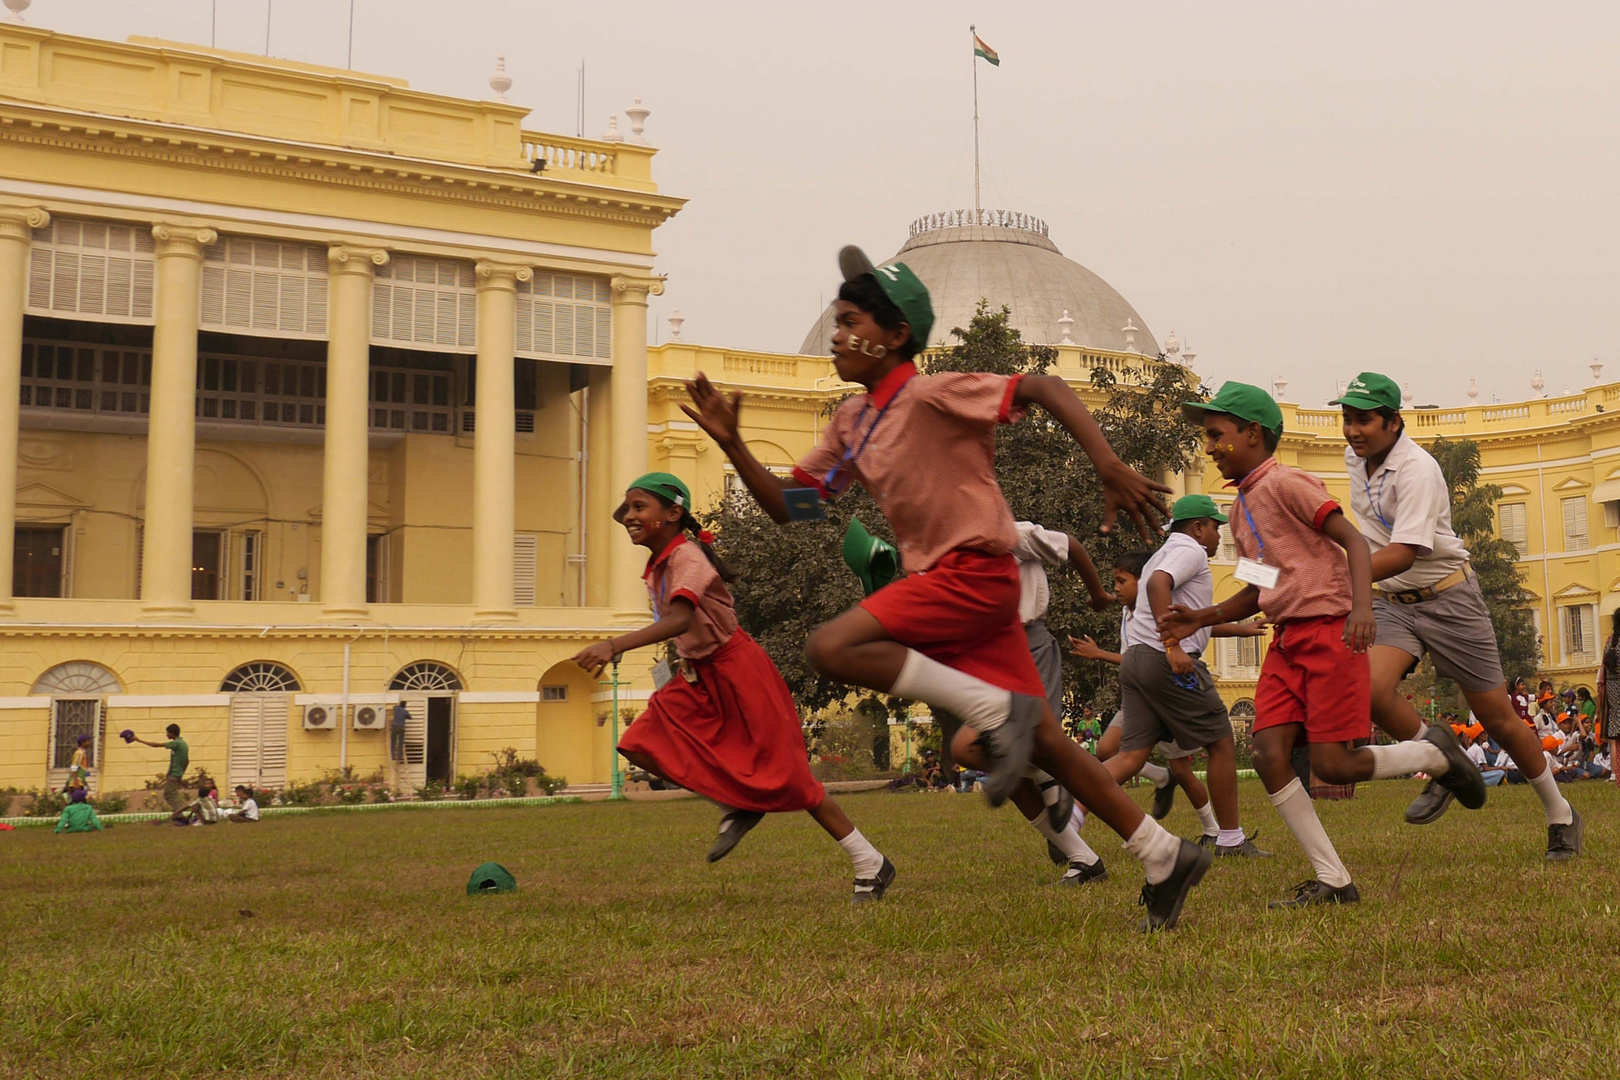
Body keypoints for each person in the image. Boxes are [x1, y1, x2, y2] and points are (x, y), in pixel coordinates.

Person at [685, 246, 1209, 930]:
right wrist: (733, 446)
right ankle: (1163, 852)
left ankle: (997, 713)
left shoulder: (933, 392)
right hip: (959, 593)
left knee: (831, 645)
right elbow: (795, 507)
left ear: (896, 335)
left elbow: (1044, 389)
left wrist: (1107, 462)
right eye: (836, 320)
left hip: (975, 575)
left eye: (851, 322)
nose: (838, 334)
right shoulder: (852, 422)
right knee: (1051, 744)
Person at [1162, 381, 1486, 909]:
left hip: (1328, 631)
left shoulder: (1289, 483)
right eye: (1206, 437)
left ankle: (1436, 753)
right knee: (1268, 753)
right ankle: (1334, 880)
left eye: (1217, 435)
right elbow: (1259, 584)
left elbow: (1353, 541)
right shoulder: (1241, 511)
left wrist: (1360, 608)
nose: (1209, 447)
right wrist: (1204, 614)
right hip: (1287, 639)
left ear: (1252, 434)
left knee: (1332, 766)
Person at [572, 473, 894, 904]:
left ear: (673, 514)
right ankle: (736, 804)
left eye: (638, 507)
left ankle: (869, 862)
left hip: (738, 671)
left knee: (792, 779)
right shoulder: (660, 563)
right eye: (627, 509)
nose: (629, 516)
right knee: (642, 740)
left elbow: (681, 620)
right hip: (698, 675)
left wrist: (613, 645)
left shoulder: (687, 558)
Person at [1330, 372, 1580, 860]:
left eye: (1364, 420)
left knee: (1500, 720)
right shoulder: (1354, 460)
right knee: (1369, 690)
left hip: (1449, 598)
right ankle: (1443, 759)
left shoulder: (1418, 470)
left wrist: (1334, 574)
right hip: (1392, 602)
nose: (1353, 431)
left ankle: (1561, 814)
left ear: (1393, 422)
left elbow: (1404, 551)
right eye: (1347, 420)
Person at [1072, 549, 1265, 843]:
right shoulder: (1130, 610)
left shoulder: (1159, 608)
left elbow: (1200, 624)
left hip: (1165, 688)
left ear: (1143, 579)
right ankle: (1153, 784)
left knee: (1183, 770)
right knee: (1109, 750)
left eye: (1122, 581)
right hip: (1144, 689)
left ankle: (1213, 829)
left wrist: (1241, 630)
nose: (1117, 588)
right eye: (1116, 582)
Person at [1115, 494, 1270, 857]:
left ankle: (1071, 810)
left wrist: (1238, 630)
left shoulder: (1162, 553)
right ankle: (1229, 839)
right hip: (1161, 657)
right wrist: (1172, 647)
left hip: (1136, 659)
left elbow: (1189, 620)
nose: (1218, 535)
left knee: (1131, 755)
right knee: (1220, 741)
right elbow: (1157, 589)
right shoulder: (1193, 551)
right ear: (1198, 528)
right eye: (1215, 527)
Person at [131, 724, 189, 813]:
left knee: (169, 795)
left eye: (168, 733)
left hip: (174, 774)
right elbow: (187, 761)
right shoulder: (183, 743)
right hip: (177, 774)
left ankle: (179, 813)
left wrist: (138, 740)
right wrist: (181, 773)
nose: (166, 735)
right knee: (173, 795)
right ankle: (179, 813)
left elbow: (156, 745)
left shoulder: (176, 743)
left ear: (173, 733)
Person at [1598, 608, 1620, 788]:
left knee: (1615, 737)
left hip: (1612, 689)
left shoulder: (1609, 642)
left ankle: (1616, 772)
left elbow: (1604, 669)